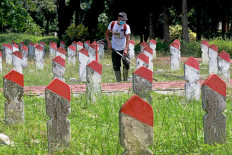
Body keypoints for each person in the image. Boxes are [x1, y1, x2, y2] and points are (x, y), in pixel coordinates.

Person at [105, 12, 131, 82]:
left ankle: (125, 81)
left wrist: (126, 49)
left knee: (126, 64)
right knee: (116, 66)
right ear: (118, 18)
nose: (124, 21)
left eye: (125, 20)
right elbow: (107, 34)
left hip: (123, 48)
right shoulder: (112, 24)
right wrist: (109, 43)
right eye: (122, 19)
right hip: (115, 48)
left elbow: (128, 38)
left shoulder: (126, 26)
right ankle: (119, 82)